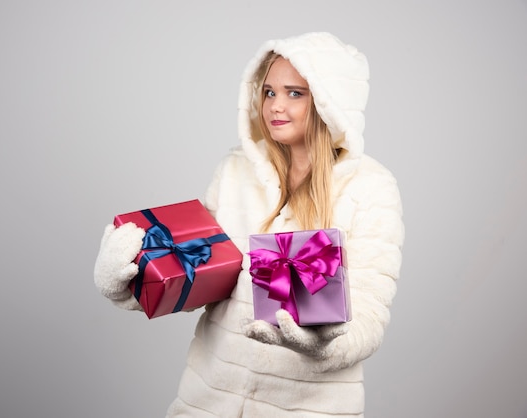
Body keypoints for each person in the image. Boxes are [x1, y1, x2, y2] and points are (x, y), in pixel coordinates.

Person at [94, 32, 404, 417]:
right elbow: (200, 280)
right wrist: (127, 283)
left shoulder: (370, 188)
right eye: (269, 92)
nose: (275, 106)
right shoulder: (235, 170)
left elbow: (370, 316)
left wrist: (321, 344)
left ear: (329, 101)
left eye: (295, 93)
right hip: (209, 402)